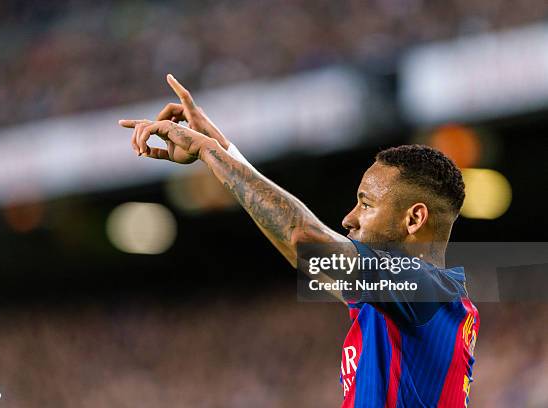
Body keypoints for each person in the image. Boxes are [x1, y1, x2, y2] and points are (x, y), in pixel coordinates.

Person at [119, 74, 480, 408]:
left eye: (366, 204)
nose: (349, 218)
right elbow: (303, 252)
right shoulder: (406, 300)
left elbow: (304, 239)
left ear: (414, 218)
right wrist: (221, 147)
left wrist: (207, 153)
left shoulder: (423, 290)